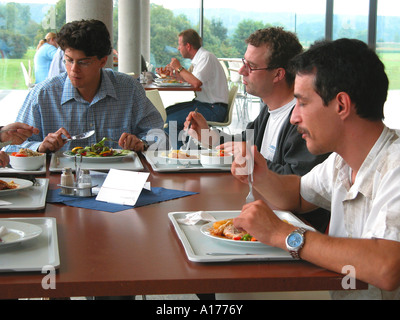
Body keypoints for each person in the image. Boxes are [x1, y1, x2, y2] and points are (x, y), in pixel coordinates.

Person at [231, 38, 400, 299]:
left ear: (341, 105)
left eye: (303, 102)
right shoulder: (341, 161)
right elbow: (298, 195)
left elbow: (386, 266)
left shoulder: (395, 164)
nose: (293, 116)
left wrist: (282, 233)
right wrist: (260, 173)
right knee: (232, 292)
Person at [186, 27, 330, 232]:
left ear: (278, 74)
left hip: (293, 229)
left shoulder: (302, 122)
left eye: (251, 66)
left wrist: (252, 162)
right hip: (265, 215)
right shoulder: (269, 111)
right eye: (244, 63)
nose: (242, 71)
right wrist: (208, 135)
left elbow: (298, 183)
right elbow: (244, 143)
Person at [6, 19, 165, 154]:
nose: (74, 69)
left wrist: (142, 143)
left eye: (83, 62)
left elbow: (160, 137)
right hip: (61, 182)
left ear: (102, 61)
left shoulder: (129, 89)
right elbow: (12, 147)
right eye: (68, 60)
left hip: (120, 180)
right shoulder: (43, 94)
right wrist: (40, 147)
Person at [159, 29, 229, 148]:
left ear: (188, 46)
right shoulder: (199, 59)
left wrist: (179, 67)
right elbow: (190, 79)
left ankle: (180, 156)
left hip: (214, 109)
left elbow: (196, 83)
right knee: (167, 112)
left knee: (171, 122)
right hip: (204, 104)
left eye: (179, 45)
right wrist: (174, 74)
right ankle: (183, 148)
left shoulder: (205, 57)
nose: (178, 48)